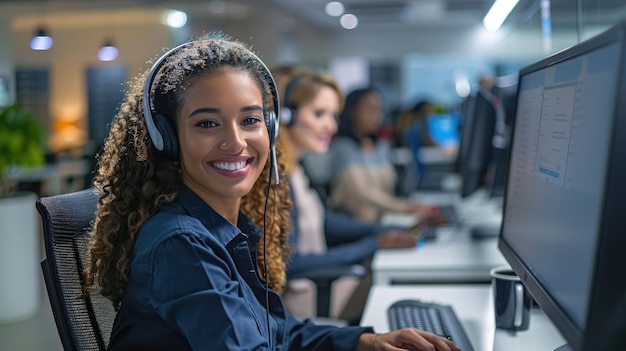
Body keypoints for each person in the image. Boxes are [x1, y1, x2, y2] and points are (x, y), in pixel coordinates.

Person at [81, 34, 460, 351]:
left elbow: (277, 331)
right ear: (168, 139)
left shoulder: (224, 229)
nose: (235, 141)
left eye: (250, 120)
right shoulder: (181, 244)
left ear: (271, 129)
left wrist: (369, 341)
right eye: (208, 123)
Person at [243, 66, 418, 322]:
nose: (331, 126)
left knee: (398, 282)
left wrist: (382, 231)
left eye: (333, 115)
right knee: (396, 289)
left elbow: (325, 221)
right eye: (319, 114)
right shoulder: (272, 179)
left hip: (320, 284)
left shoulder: (298, 170)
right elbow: (288, 261)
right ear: (285, 116)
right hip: (302, 299)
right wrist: (372, 244)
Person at [328, 87, 439, 223]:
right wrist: (405, 207)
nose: (377, 116)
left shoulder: (382, 147)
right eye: (370, 109)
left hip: (385, 222)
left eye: (379, 109)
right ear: (351, 111)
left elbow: (390, 191)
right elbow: (362, 193)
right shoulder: (342, 148)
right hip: (358, 227)